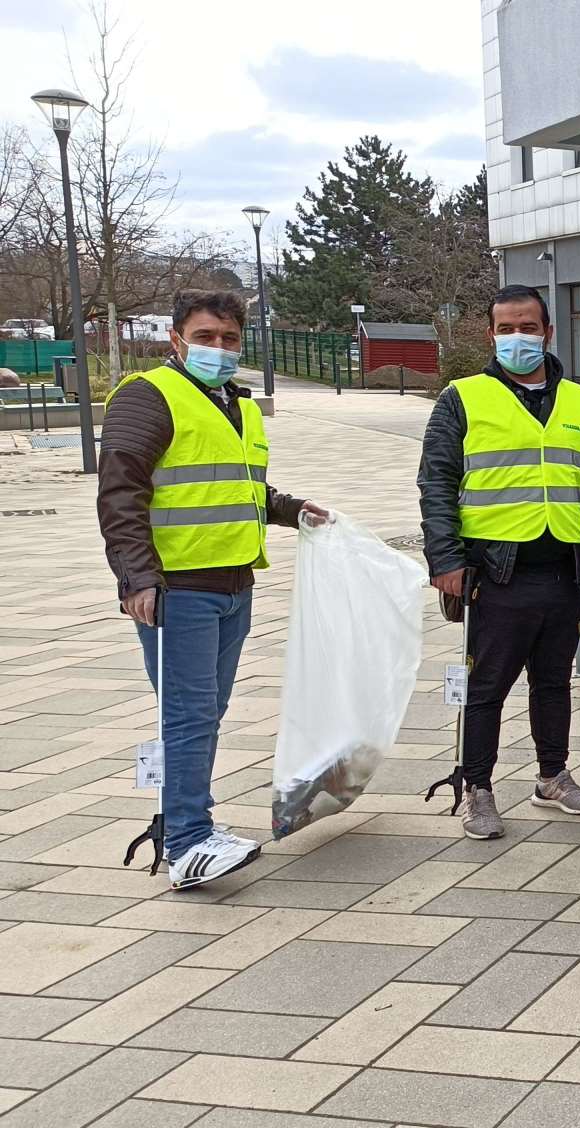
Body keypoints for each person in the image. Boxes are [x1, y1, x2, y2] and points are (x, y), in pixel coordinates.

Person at [97, 289, 329, 889]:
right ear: (176, 338)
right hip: (177, 588)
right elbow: (121, 492)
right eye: (205, 337)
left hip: (233, 583)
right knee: (189, 713)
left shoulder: (238, 405)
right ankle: (187, 841)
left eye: (229, 339)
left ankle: (188, 827)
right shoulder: (148, 397)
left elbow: (239, 487)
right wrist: (136, 576)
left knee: (205, 712)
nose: (218, 349)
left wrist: (289, 508)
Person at [419, 284, 580, 839]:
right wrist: (444, 558)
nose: (517, 337)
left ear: (547, 332)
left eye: (527, 327)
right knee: (487, 688)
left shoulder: (579, 401)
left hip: (565, 568)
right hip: (495, 574)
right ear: (491, 335)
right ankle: (476, 787)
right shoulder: (462, 397)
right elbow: (436, 484)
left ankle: (552, 775)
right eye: (506, 328)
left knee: (554, 683)